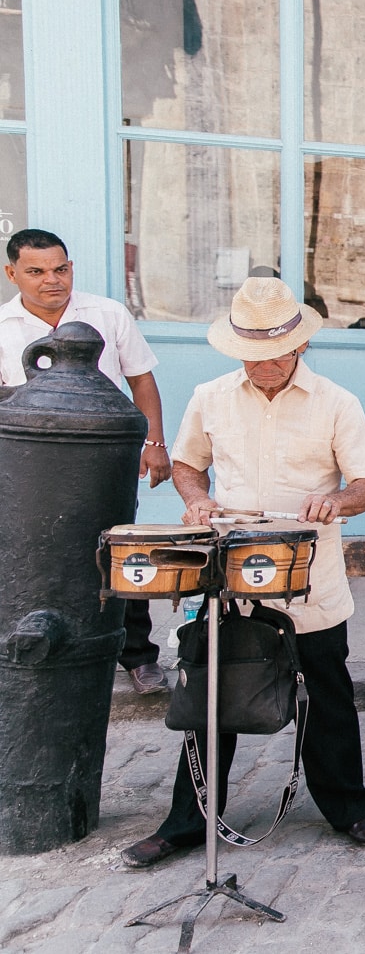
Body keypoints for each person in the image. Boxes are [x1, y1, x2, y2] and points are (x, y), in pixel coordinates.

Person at [120, 277, 365, 867]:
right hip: (232, 570)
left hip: (308, 571)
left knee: (326, 694)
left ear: (300, 347)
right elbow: (189, 465)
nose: (266, 365)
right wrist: (196, 498)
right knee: (212, 694)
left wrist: (334, 503)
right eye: (255, 355)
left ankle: (349, 807)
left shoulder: (337, 402)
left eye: (277, 353)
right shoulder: (211, 395)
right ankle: (187, 822)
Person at [1, 228, 173, 696]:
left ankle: (138, 657)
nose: (51, 280)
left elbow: (141, 382)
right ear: (12, 273)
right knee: (31, 558)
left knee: (119, 551)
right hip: (30, 469)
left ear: (71, 267)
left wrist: (153, 443)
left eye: (60, 269)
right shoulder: (2, 328)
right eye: (36, 272)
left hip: (106, 462)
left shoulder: (107, 314)